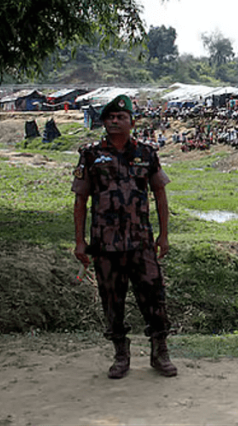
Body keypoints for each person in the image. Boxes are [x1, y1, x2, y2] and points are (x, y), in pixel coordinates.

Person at [72, 95, 177, 379]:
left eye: (121, 117)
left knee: (154, 297)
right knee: (111, 300)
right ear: (104, 122)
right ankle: (121, 354)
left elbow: (160, 193)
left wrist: (164, 235)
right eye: (110, 117)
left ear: (132, 122)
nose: (115, 121)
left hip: (141, 242)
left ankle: (160, 352)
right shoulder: (91, 155)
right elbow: (80, 200)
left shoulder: (147, 153)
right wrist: (80, 241)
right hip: (105, 244)